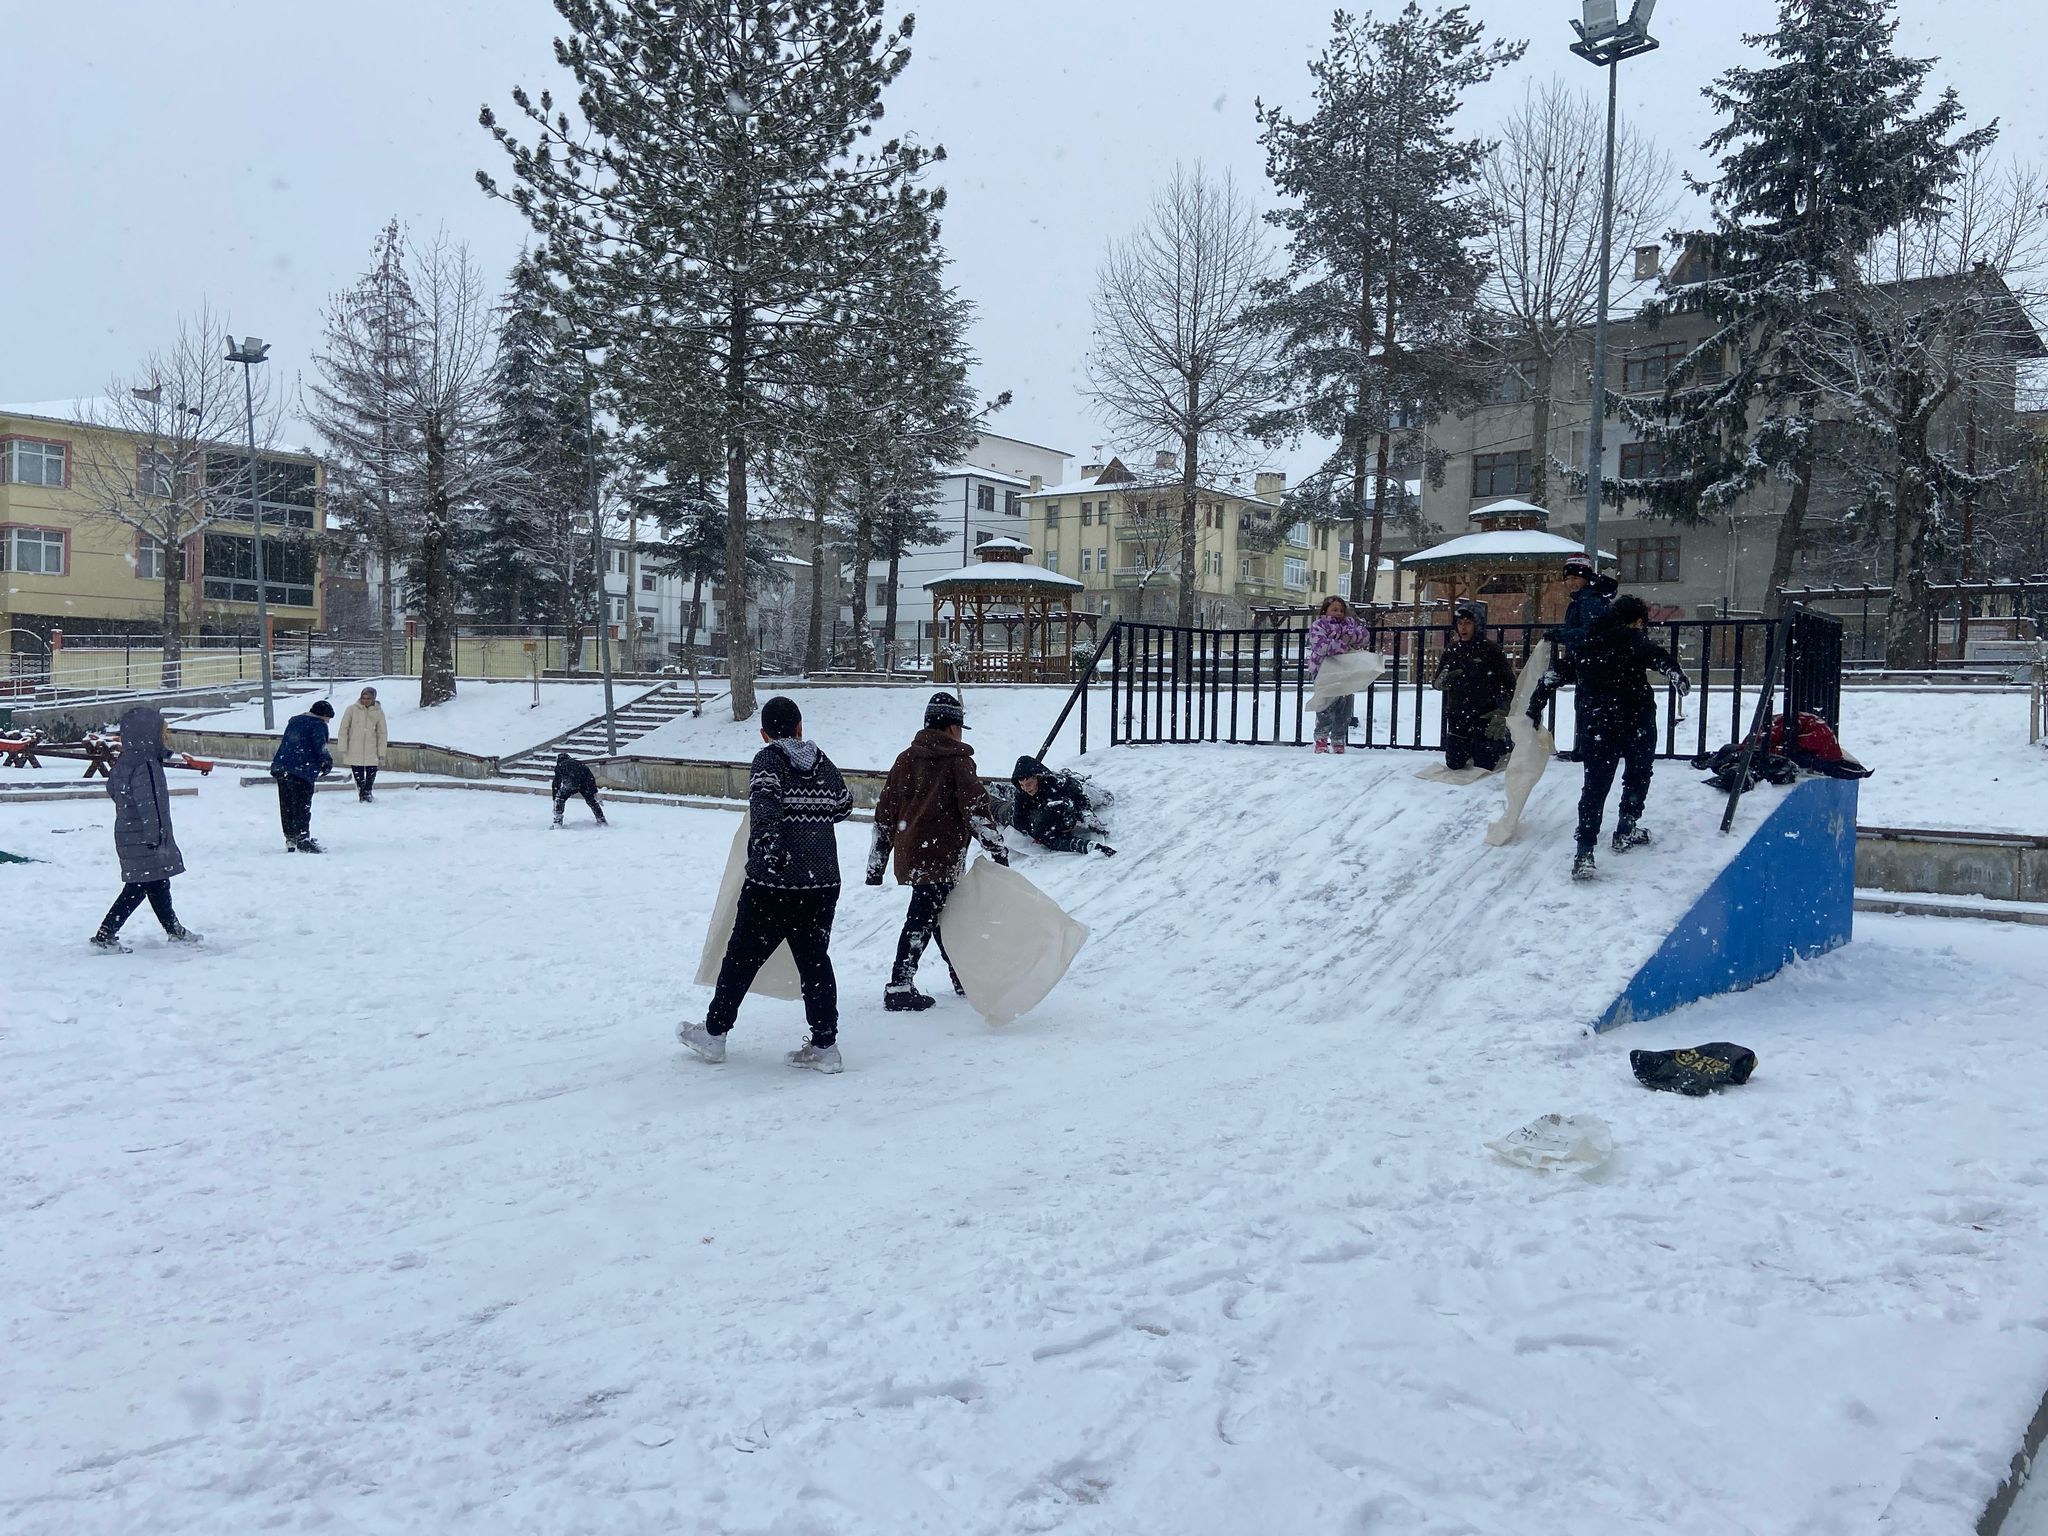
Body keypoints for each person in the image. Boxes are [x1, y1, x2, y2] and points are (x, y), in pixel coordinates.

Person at [679, 696, 855, 1072]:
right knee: (814, 962)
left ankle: (714, 1034)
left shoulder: (768, 760)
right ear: (800, 728)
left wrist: (771, 848)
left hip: (773, 884)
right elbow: (843, 806)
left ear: (763, 734)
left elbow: (764, 807)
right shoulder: (822, 761)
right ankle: (826, 1045)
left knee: (741, 958)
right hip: (821, 882)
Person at [1531, 594, 1691, 881]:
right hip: (1636, 719)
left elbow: (1553, 676)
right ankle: (1627, 827)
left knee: (1594, 786)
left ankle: (1584, 851)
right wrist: (1676, 674)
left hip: (1597, 723)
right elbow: (1658, 656)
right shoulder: (1632, 639)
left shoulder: (1587, 643)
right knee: (1638, 773)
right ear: (1637, 621)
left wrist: (1534, 706)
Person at [866, 691, 1008, 1011]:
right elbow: (975, 809)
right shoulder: (957, 762)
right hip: (941, 855)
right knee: (923, 917)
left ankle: (961, 976)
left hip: (913, 855)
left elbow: (884, 814)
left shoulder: (905, 759)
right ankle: (900, 985)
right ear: (951, 728)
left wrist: (877, 864)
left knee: (944, 915)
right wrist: (997, 850)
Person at [91, 705, 200, 951]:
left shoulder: (127, 760)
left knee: (157, 882)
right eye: (162, 733)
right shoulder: (147, 764)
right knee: (140, 886)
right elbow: (151, 806)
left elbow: (114, 790)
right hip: (145, 836)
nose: (165, 738)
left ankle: (174, 929)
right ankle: (105, 935)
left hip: (129, 832)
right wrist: (156, 837)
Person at [1434, 602, 1516, 771]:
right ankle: (1468, 746)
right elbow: (1437, 680)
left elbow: (1509, 683)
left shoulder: (1491, 650)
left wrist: (1502, 710)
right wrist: (1441, 681)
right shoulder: (1452, 650)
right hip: (1458, 714)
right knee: (1454, 764)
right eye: (1460, 623)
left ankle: (1502, 743)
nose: (1463, 628)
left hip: (1485, 714)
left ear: (1477, 625)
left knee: (1485, 764)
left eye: (1468, 623)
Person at [1304, 595, 1373, 754]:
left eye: (1341, 610)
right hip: (1323, 670)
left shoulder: (1350, 624)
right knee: (1324, 703)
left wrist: (1348, 638)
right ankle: (1321, 738)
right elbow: (1321, 646)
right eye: (1334, 609)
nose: (1339, 613)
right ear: (1325, 610)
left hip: (1345, 669)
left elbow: (1363, 637)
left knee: (1344, 706)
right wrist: (1344, 643)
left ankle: (1338, 738)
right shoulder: (1319, 625)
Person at [1009, 755, 1116, 856]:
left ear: (1038, 778)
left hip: (1076, 793)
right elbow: (1018, 819)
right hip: (1042, 809)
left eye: (1029, 784)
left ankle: (1081, 779)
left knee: (1102, 798)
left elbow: (1080, 798)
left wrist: (1088, 815)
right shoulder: (1021, 793)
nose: (1026, 789)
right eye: (1022, 785)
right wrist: (1031, 831)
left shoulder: (1058, 784)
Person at [270, 700, 334, 853]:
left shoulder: (295, 721)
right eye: (328, 719)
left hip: (282, 766)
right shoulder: (318, 724)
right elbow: (320, 746)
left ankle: (290, 837)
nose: (328, 722)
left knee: (287, 804)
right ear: (323, 716)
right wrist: (326, 762)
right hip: (301, 770)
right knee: (302, 805)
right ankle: (302, 838)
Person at [336, 686, 389, 802]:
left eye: (369, 698)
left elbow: (382, 733)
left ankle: (368, 791)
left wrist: (381, 751)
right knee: (357, 772)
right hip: (355, 746)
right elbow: (344, 728)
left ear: (374, 699)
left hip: (371, 747)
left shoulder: (378, 712)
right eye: (363, 697)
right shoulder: (351, 709)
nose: (365, 700)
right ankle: (362, 792)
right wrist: (343, 745)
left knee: (372, 771)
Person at [550, 753, 607, 828]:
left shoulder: (560, 765)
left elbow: (556, 783)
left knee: (560, 798)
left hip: (571, 784)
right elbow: (590, 777)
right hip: (584, 783)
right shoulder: (579, 763)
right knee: (591, 800)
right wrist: (594, 792)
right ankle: (601, 819)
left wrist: (555, 798)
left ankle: (558, 821)